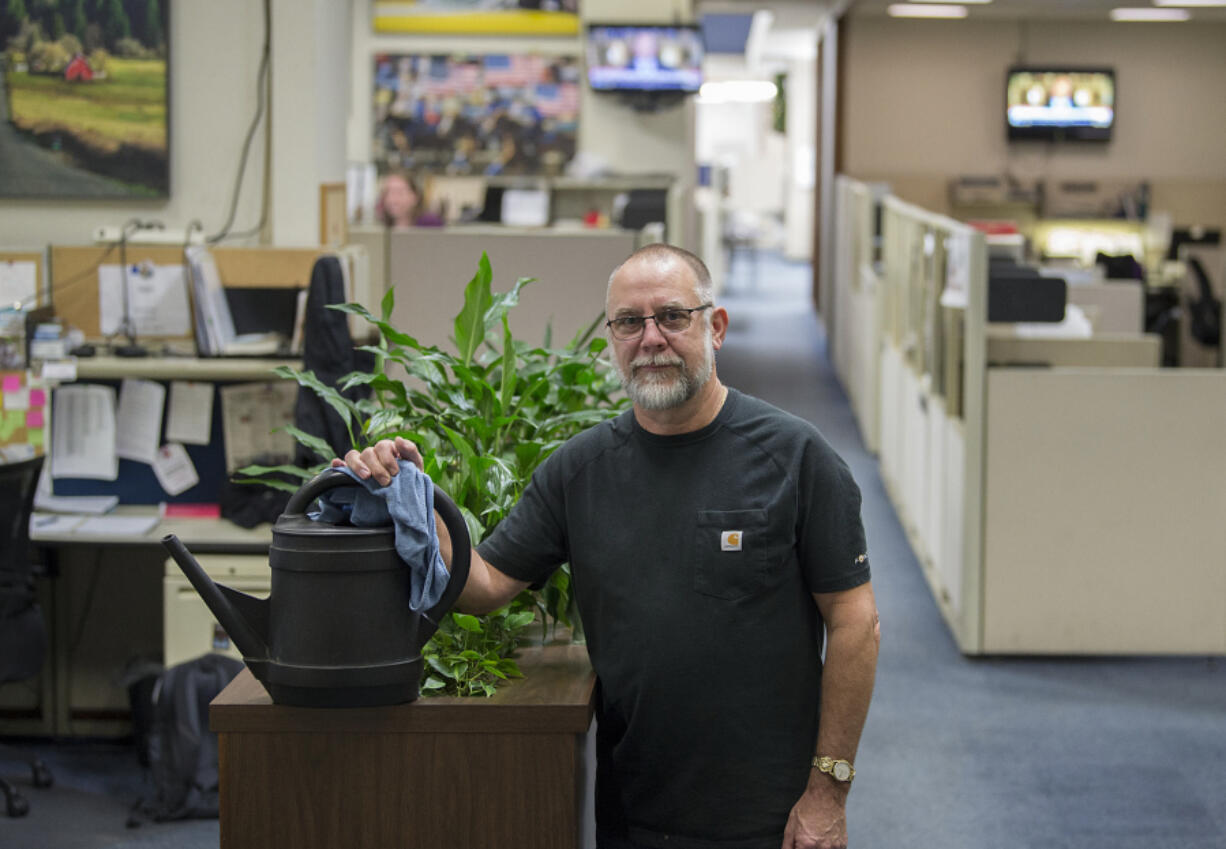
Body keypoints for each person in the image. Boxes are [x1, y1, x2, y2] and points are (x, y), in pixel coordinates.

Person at [337, 244, 880, 849]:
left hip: (770, 817)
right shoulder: (579, 470)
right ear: (612, 340)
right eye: (629, 322)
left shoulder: (798, 458)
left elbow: (855, 622)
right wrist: (413, 492)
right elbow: (484, 585)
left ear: (715, 326)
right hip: (634, 810)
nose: (650, 339)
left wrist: (829, 792)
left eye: (672, 316)